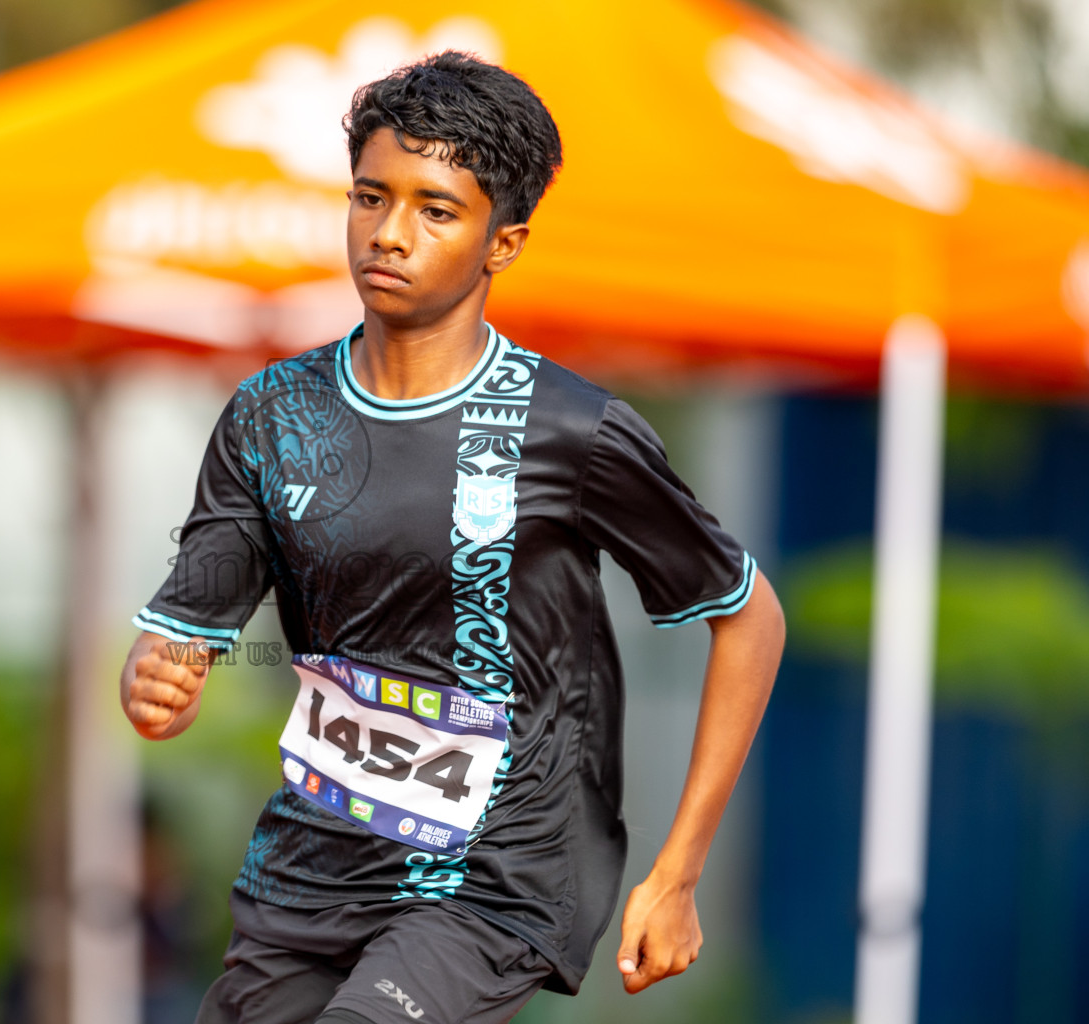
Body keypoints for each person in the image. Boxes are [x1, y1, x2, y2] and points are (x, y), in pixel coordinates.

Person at [119, 51, 785, 1024]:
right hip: (308, 868)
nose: (389, 233)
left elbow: (749, 615)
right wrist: (156, 673)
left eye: (435, 209)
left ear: (501, 243)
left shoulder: (573, 431)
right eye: (369, 196)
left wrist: (677, 871)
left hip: (496, 874)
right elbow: (187, 624)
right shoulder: (269, 415)